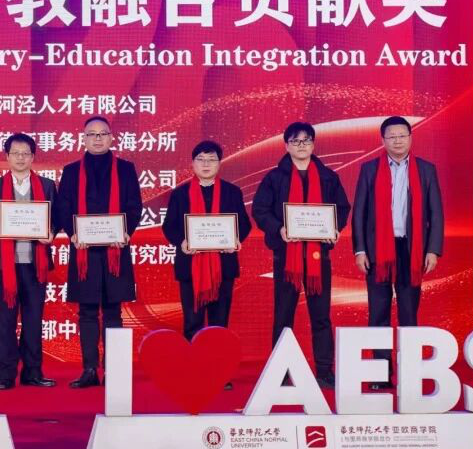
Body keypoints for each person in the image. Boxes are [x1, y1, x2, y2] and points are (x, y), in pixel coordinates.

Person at [252, 122, 350, 389]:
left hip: (319, 257)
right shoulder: (275, 178)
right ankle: (280, 373)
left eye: (306, 140)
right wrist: (279, 228)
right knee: (283, 316)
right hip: (287, 257)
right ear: (286, 146)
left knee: (321, 316)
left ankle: (325, 371)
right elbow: (260, 210)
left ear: (313, 144)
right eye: (296, 141)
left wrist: (334, 229)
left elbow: (342, 208)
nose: (302, 145)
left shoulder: (328, 177)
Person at [352, 116, 444, 390]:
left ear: (410, 138)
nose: (397, 141)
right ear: (383, 140)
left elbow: (436, 213)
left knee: (408, 313)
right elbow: (359, 213)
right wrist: (360, 250)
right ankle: (381, 374)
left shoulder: (426, 170)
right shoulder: (369, 169)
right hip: (378, 250)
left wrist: (433, 250)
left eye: (402, 135)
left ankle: (409, 374)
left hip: (411, 249)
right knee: (378, 313)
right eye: (391, 136)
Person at [56, 116, 142, 388]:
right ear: (84, 139)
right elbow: (63, 207)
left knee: (114, 311)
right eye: (91, 134)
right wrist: (73, 233)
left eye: (102, 134)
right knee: (87, 312)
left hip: (116, 250)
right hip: (84, 252)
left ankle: (113, 370)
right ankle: (90, 369)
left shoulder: (126, 169)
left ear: (111, 138)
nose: (97, 138)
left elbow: (134, 205)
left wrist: (126, 231)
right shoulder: (71, 171)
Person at [162, 140, 252, 389]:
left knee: (218, 323)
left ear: (219, 163)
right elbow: (169, 227)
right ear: (192, 163)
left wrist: (234, 239)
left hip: (223, 266)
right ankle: (193, 371)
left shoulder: (232, 192)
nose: (206, 164)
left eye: (211, 159)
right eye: (201, 159)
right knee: (192, 322)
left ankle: (219, 373)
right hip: (191, 267)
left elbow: (243, 224)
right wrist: (182, 242)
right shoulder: (180, 194)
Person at [0, 133, 58, 390]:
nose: (21, 158)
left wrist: (51, 233)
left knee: (34, 320)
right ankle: (5, 374)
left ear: (33, 157)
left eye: (26, 153)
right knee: (5, 320)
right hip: (5, 265)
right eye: (16, 153)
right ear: (7, 157)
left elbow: (55, 219)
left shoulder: (47, 185)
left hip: (36, 264)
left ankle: (33, 372)